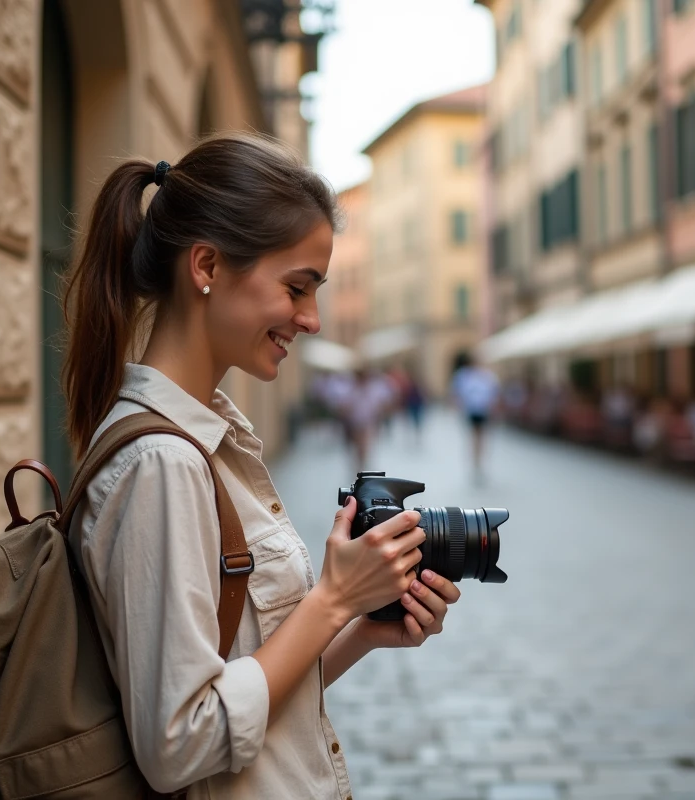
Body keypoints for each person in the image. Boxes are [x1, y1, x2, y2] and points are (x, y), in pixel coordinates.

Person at [61, 134, 462, 797]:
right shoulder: (163, 462)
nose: (313, 320)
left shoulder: (207, 438)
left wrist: (360, 627)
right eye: (297, 288)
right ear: (207, 266)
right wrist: (331, 598)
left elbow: (241, 692)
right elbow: (179, 741)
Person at [451, 352, 500, 478]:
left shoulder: (486, 376)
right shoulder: (464, 375)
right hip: (472, 410)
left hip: (483, 410)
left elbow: (493, 393)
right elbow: (457, 392)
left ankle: (478, 461)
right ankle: (475, 462)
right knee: (475, 437)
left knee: (480, 437)